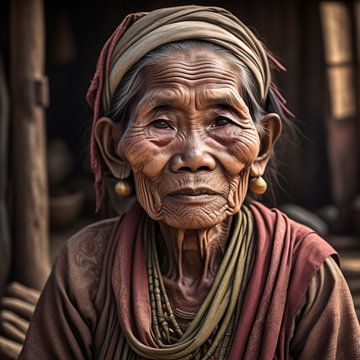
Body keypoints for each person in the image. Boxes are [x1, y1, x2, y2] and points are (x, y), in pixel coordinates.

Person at [19, 5, 360, 359]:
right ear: (114, 150)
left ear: (263, 145)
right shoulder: (84, 270)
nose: (194, 156)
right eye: (162, 123)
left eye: (222, 121)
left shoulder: (304, 271)